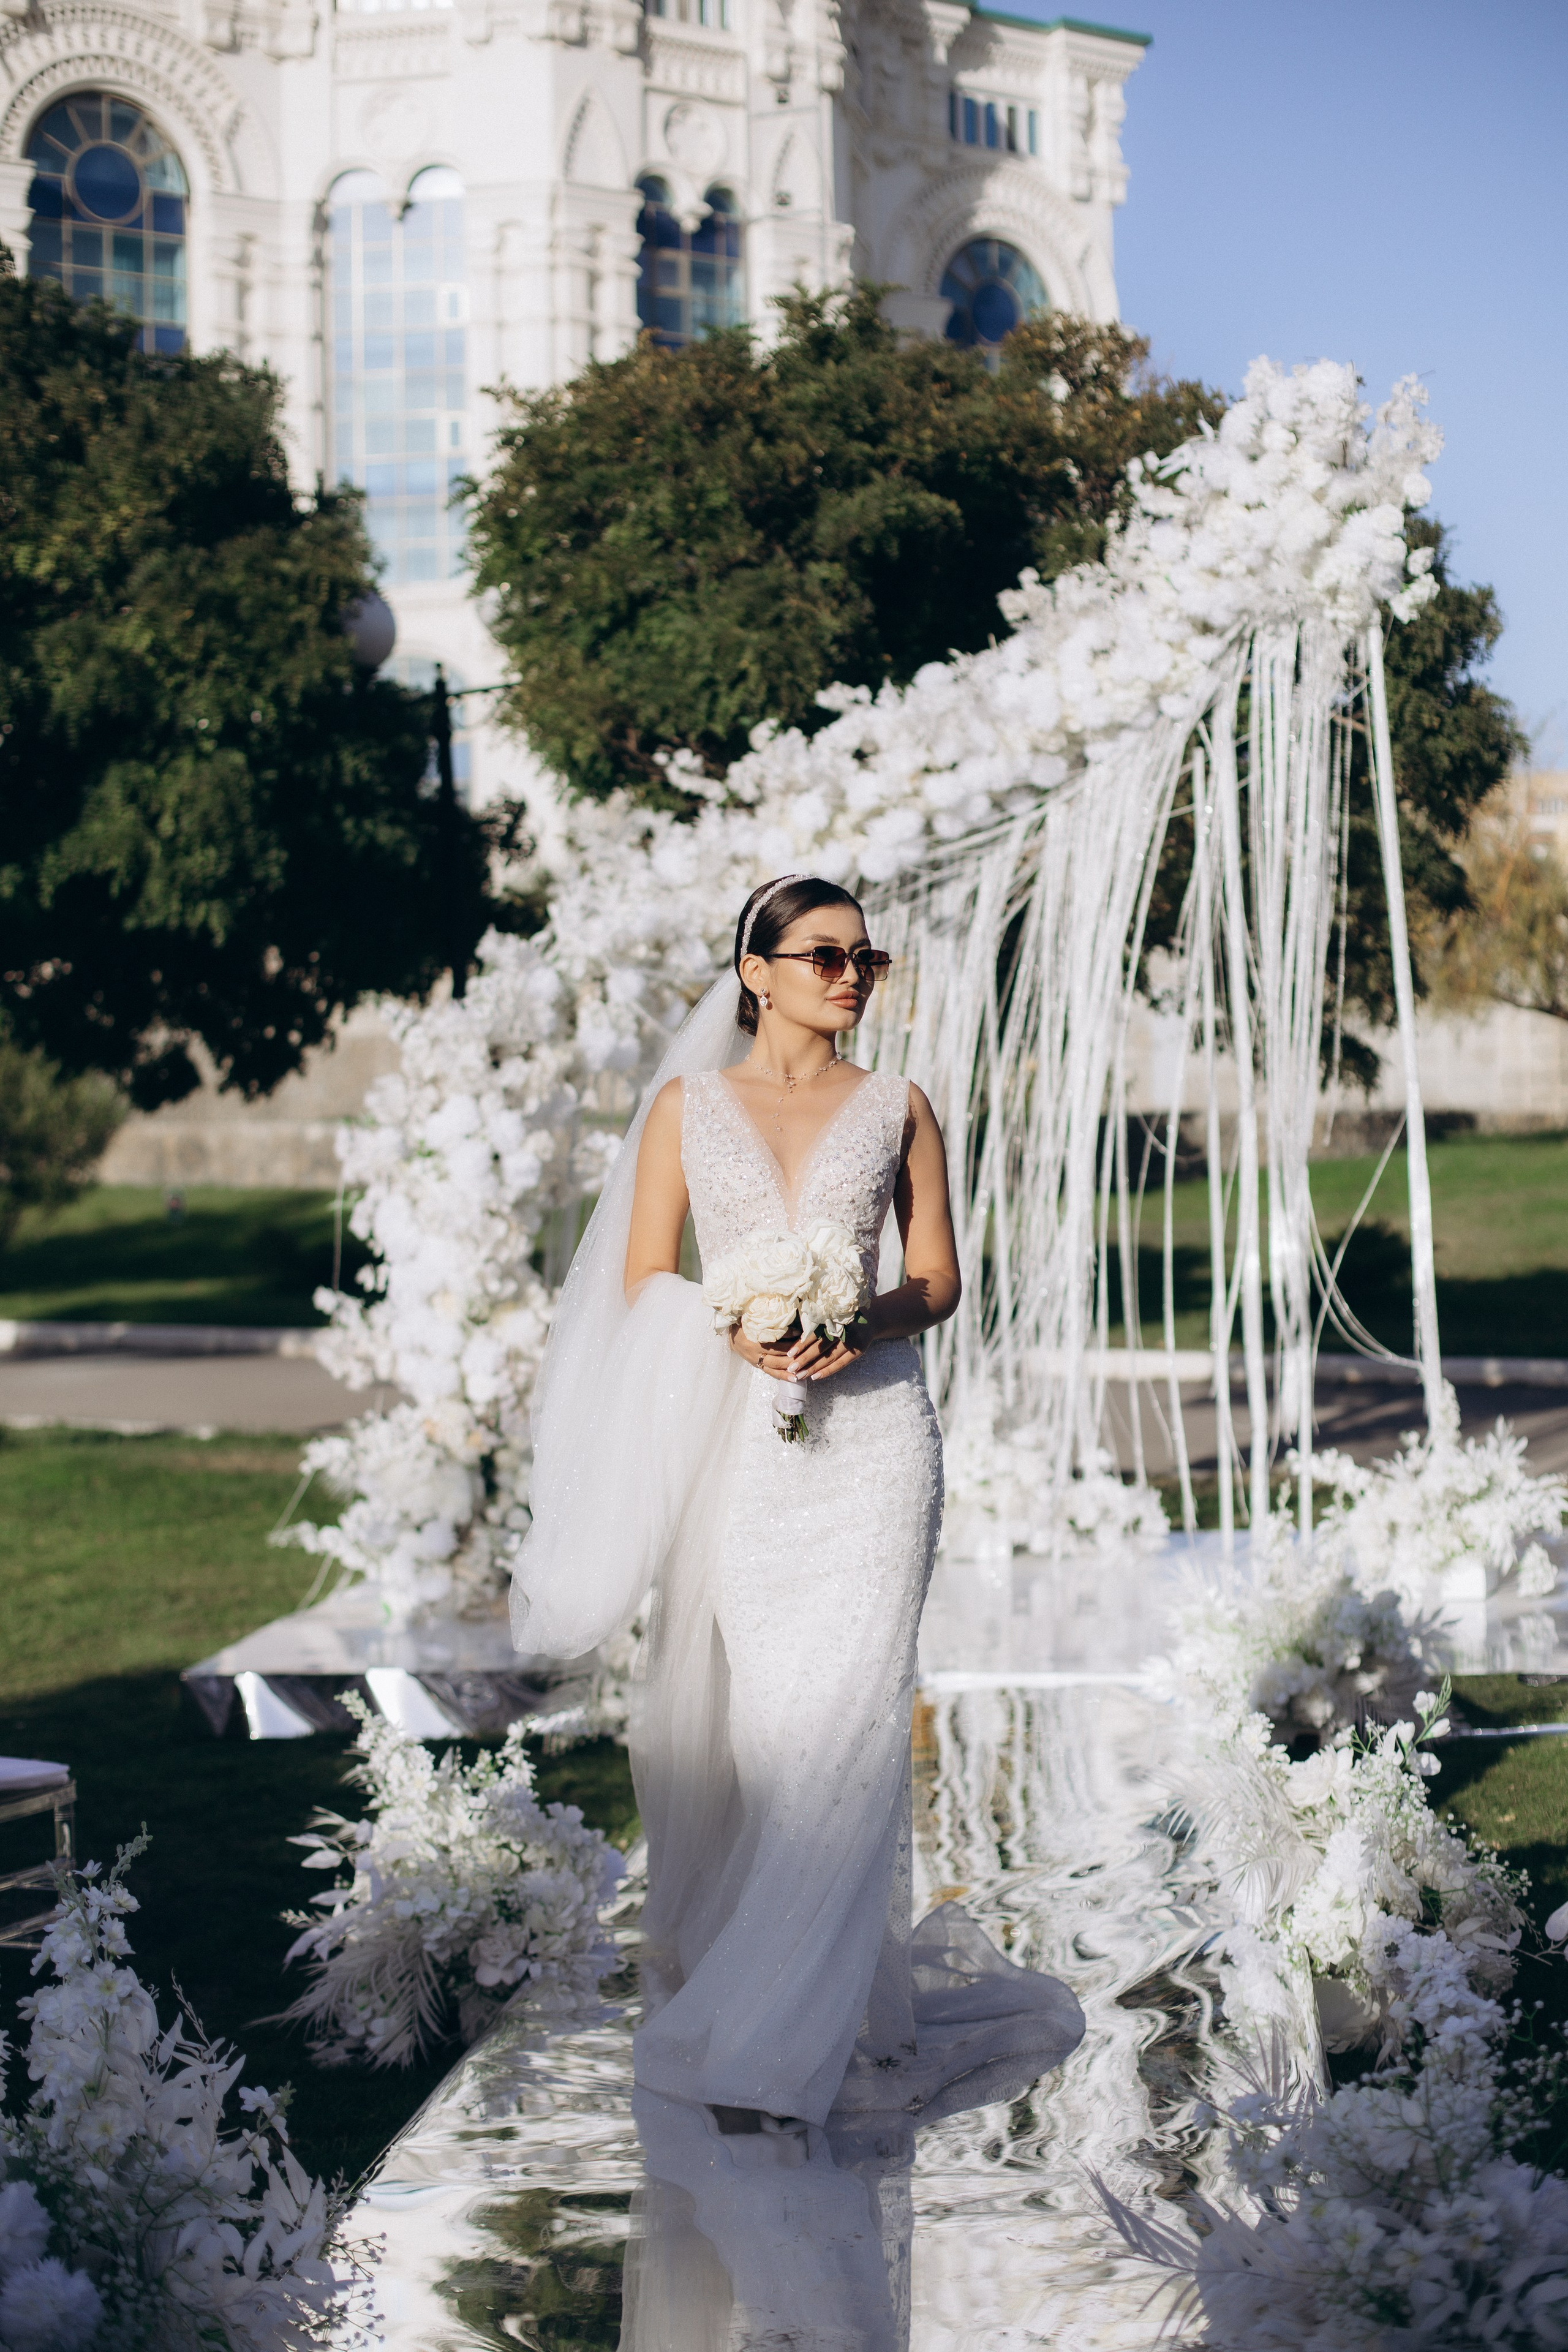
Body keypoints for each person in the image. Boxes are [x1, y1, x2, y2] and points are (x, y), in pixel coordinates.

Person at [512, 875, 1082, 2144]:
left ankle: (791, 2039)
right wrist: (745, 1322)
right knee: (777, 1739)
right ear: (754, 972)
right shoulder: (685, 1109)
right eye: (822, 955)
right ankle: (805, 2010)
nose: (848, 975)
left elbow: (934, 1280)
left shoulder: (899, 1108)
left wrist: (851, 1317)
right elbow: (643, 1277)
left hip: (879, 1445)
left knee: (856, 1731)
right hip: (749, 1459)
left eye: (863, 958)